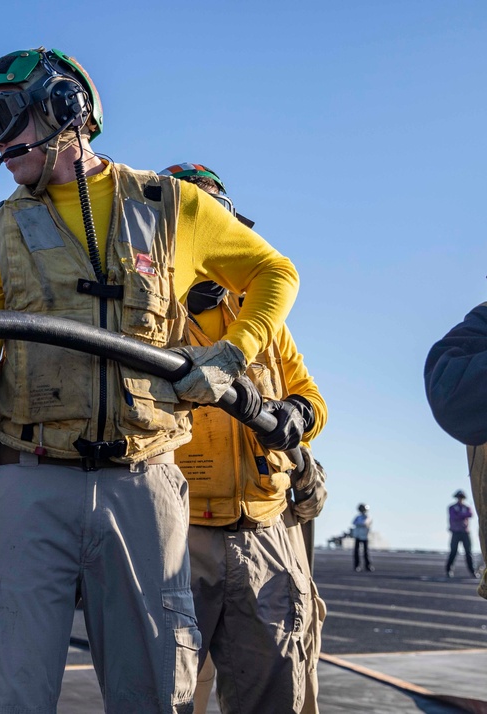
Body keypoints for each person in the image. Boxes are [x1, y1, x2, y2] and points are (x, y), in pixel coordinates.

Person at [0, 47, 300, 713]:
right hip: (29, 476)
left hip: (144, 481)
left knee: (152, 692)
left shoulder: (170, 204)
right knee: (7, 695)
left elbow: (275, 273)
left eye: (4, 119)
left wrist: (234, 353)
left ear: (66, 108)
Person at [161, 164, 328, 714]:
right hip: (175, 537)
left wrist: (296, 416)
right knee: (165, 694)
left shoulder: (263, 318)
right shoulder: (144, 319)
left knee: (277, 692)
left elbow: (310, 397)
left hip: (265, 531)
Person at [425, 303, 487, 599]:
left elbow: (450, 392)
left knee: (464, 551)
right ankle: (453, 569)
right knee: (456, 550)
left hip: (463, 530)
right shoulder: (457, 509)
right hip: (458, 529)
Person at [447, 489, 476, 578]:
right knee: (453, 552)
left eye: (462, 497)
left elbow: (471, 514)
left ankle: (472, 571)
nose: (460, 499)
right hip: (456, 532)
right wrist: (463, 515)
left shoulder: (466, 507)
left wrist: (460, 514)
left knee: (469, 552)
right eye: (459, 497)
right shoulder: (452, 507)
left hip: (465, 532)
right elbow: (453, 516)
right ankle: (449, 570)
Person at [352, 504, 373, 572]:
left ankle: (368, 565)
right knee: (356, 552)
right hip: (358, 535)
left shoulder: (368, 517)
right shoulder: (358, 517)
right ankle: (357, 565)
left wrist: (360, 524)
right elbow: (354, 522)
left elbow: (365, 523)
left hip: (364, 536)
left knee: (365, 552)